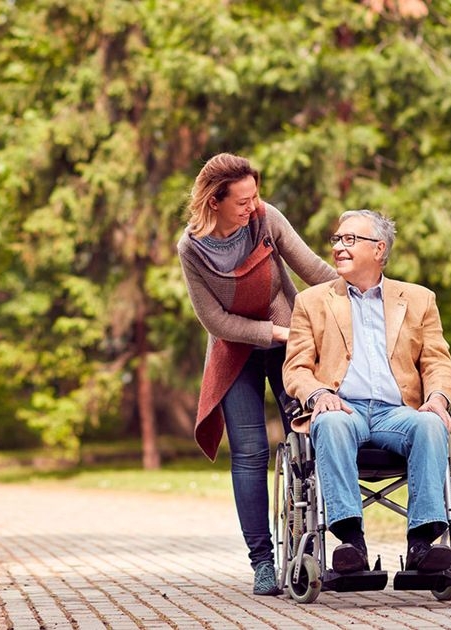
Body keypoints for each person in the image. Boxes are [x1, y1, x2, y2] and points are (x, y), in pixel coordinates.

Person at [177, 153, 337, 595]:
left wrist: (365, 295)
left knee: (307, 435)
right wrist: (275, 333)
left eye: (254, 196)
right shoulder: (191, 249)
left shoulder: (266, 219)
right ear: (214, 201)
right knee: (249, 453)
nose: (252, 206)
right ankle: (263, 563)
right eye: (241, 201)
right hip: (236, 348)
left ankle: (317, 541)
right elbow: (216, 322)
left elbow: (314, 271)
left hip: (286, 335)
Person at [282, 209, 451, 576]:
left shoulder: (419, 299)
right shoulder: (312, 302)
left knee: (431, 425)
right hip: (343, 408)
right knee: (329, 422)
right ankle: (350, 543)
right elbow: (296, 368)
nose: (339, 248)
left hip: (398, 412)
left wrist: (438, 399)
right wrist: (317, 395)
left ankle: (423, 546)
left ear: (379, 250)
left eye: (350, 240)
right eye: (337, 240)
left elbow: (437, 362)